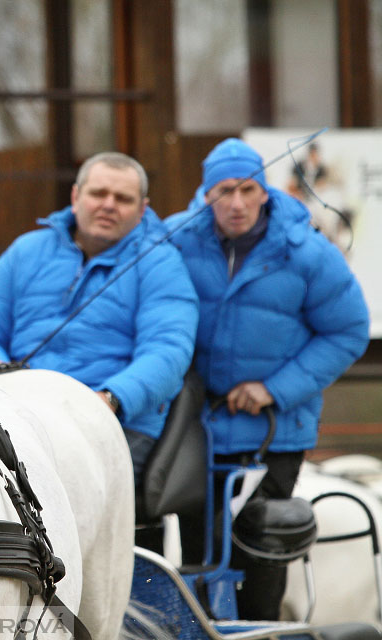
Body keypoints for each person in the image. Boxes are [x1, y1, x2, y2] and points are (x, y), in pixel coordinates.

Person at [166, 138, 370, 621]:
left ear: (264, 191)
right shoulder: (174, 239)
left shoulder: (308, 251)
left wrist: (273, 389)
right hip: (195, 427)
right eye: (222, 191)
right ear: (205, 193)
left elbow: (348, 331)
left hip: (274, 432)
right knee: (196, 551)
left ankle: (263, 631)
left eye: (246, 189)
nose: (235, 203)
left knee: (261, 548)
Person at [0, 152, 199, 498]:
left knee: (47, 495)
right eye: (98, 194)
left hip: (114, 423)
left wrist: (110, 399)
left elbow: (168, 351)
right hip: (21, 411)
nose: (108, 205)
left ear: (142, 209)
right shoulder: (26, 251)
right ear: (75, 196)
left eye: (123, 199)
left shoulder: (162, 263)